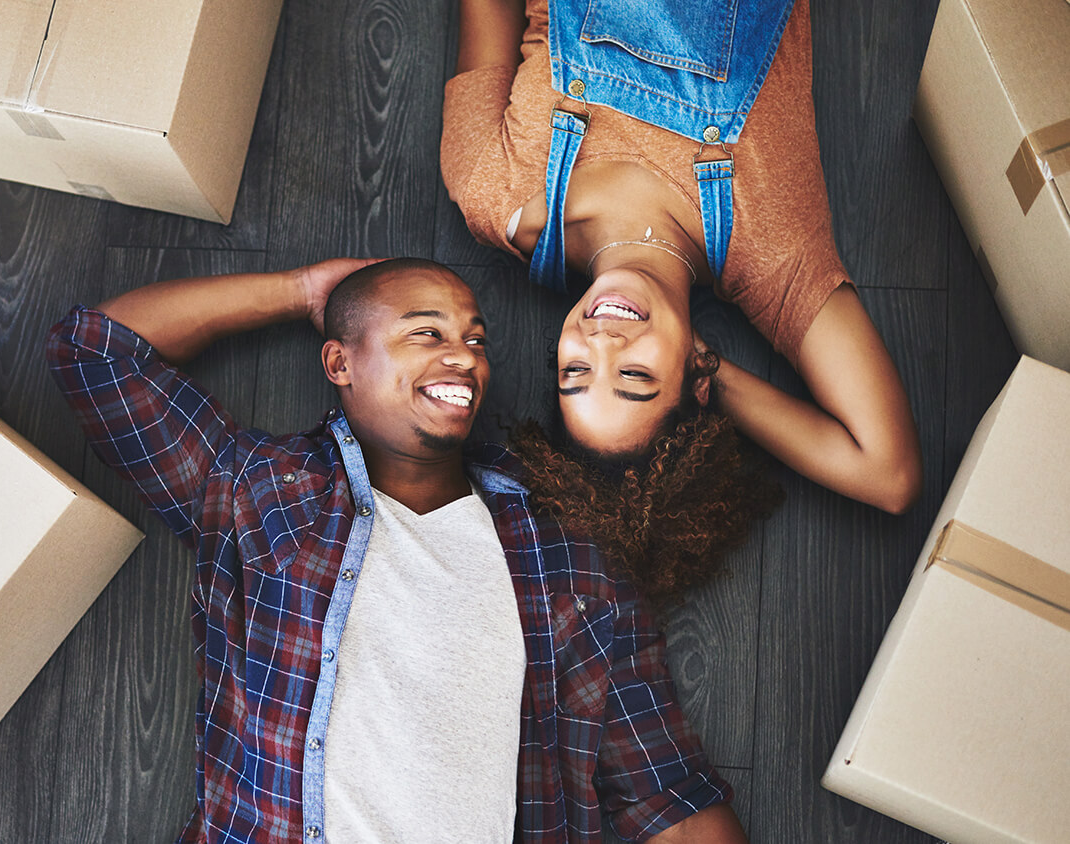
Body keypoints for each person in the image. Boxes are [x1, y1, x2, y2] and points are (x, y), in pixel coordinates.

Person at [45, 257, 748, 842]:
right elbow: (95, 351)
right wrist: (302, 292)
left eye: (475, 340)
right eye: (425, 332)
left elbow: (667, 795)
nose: (462, 358)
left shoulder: (567, 553)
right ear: (340, 362)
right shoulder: (259, 491)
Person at [441, 0, 924, 526]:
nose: (601, 343)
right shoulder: (770, 250)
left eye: (575, 370)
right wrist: (711, 370)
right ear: (696, 380)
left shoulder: (492, 190)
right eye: (635, 375)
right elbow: (888, 476)